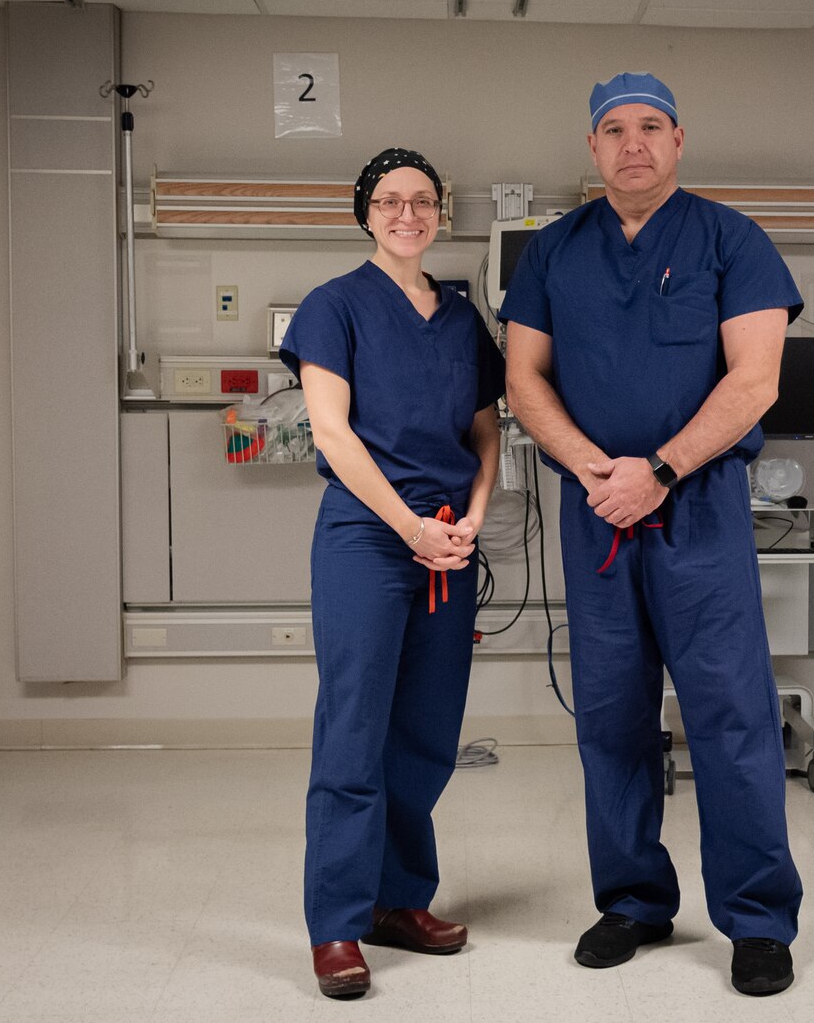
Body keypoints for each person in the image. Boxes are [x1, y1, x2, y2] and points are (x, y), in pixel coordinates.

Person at [500, 72, 804, 996]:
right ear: (592, 150)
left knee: (730, 714)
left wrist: (659, 471)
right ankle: (633, 899)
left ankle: (756, 920)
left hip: (697, 509)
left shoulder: (731, 240)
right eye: (613, 130)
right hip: (598, 512)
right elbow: (525, 381)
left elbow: (754, 382)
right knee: (611, 716)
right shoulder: (551, 253)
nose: (633, 144)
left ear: (679, 141)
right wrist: (598, 471)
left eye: (651, 127)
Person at [279, 147, 504, 1000]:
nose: (405, 214)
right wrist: (409, 525)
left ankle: (399, 899)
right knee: (353, 729)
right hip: (369, 541)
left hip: (448, 542)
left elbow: (486, 434)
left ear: (441, 210)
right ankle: (337, 922)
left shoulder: (459, 319)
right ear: (365, 212)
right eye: (388, 201)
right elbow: (334, 434)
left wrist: (473, 517)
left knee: (426, 732)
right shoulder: (334, 307)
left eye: (420, 201)